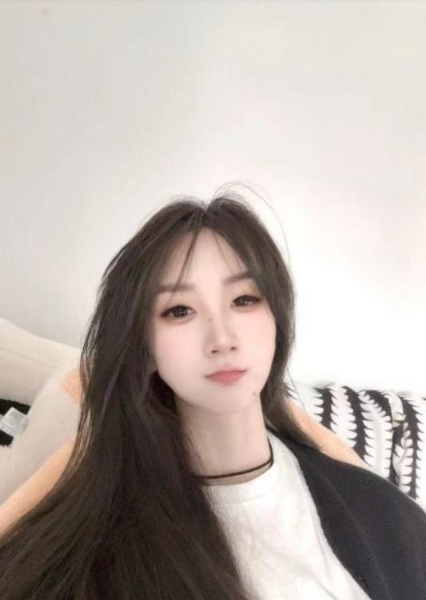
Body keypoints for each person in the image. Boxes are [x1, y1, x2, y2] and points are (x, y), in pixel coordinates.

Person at [0, 186, 425, 599]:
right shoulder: (93, 545)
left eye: (244, 300)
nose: (222, 338)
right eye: (179, 310)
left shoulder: (380, 512)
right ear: (144, 347)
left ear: (277, 320)